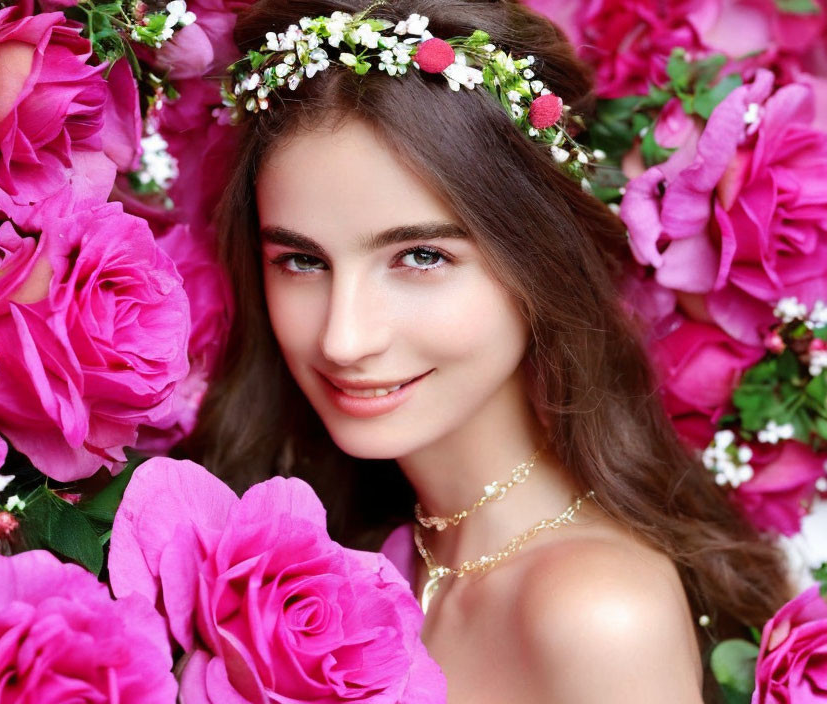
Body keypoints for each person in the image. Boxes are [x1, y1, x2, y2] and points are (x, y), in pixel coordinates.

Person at [185, 1, 793, 701]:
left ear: (537, 259)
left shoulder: (599, 616)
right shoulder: (361, 535)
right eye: (301, 261)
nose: (343, 339)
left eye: (419, 256)